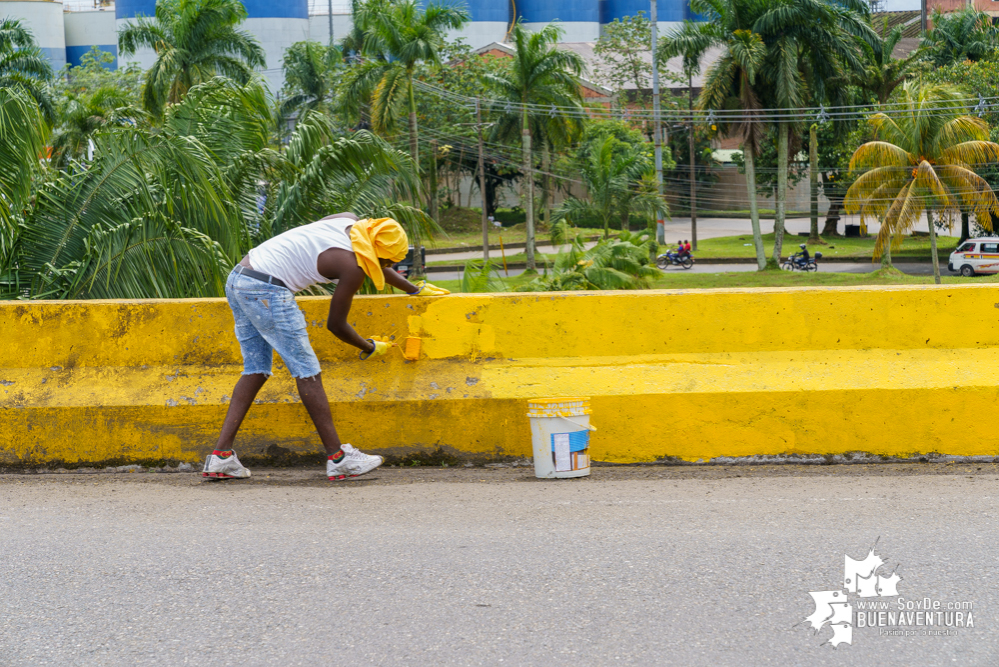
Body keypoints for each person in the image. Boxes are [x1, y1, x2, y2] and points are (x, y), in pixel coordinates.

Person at [202, 213, 450, 482]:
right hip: (267, 291)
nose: (387, 268)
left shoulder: (349, 221)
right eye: (387, 263)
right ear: (374, 254)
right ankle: (339, 458)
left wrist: (413, 289)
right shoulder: (351, 266)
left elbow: (352, 254)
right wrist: (368, 346)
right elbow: (336, 325)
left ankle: (221, 458)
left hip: (240, 278)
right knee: (307, 371)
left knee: (256, 369)